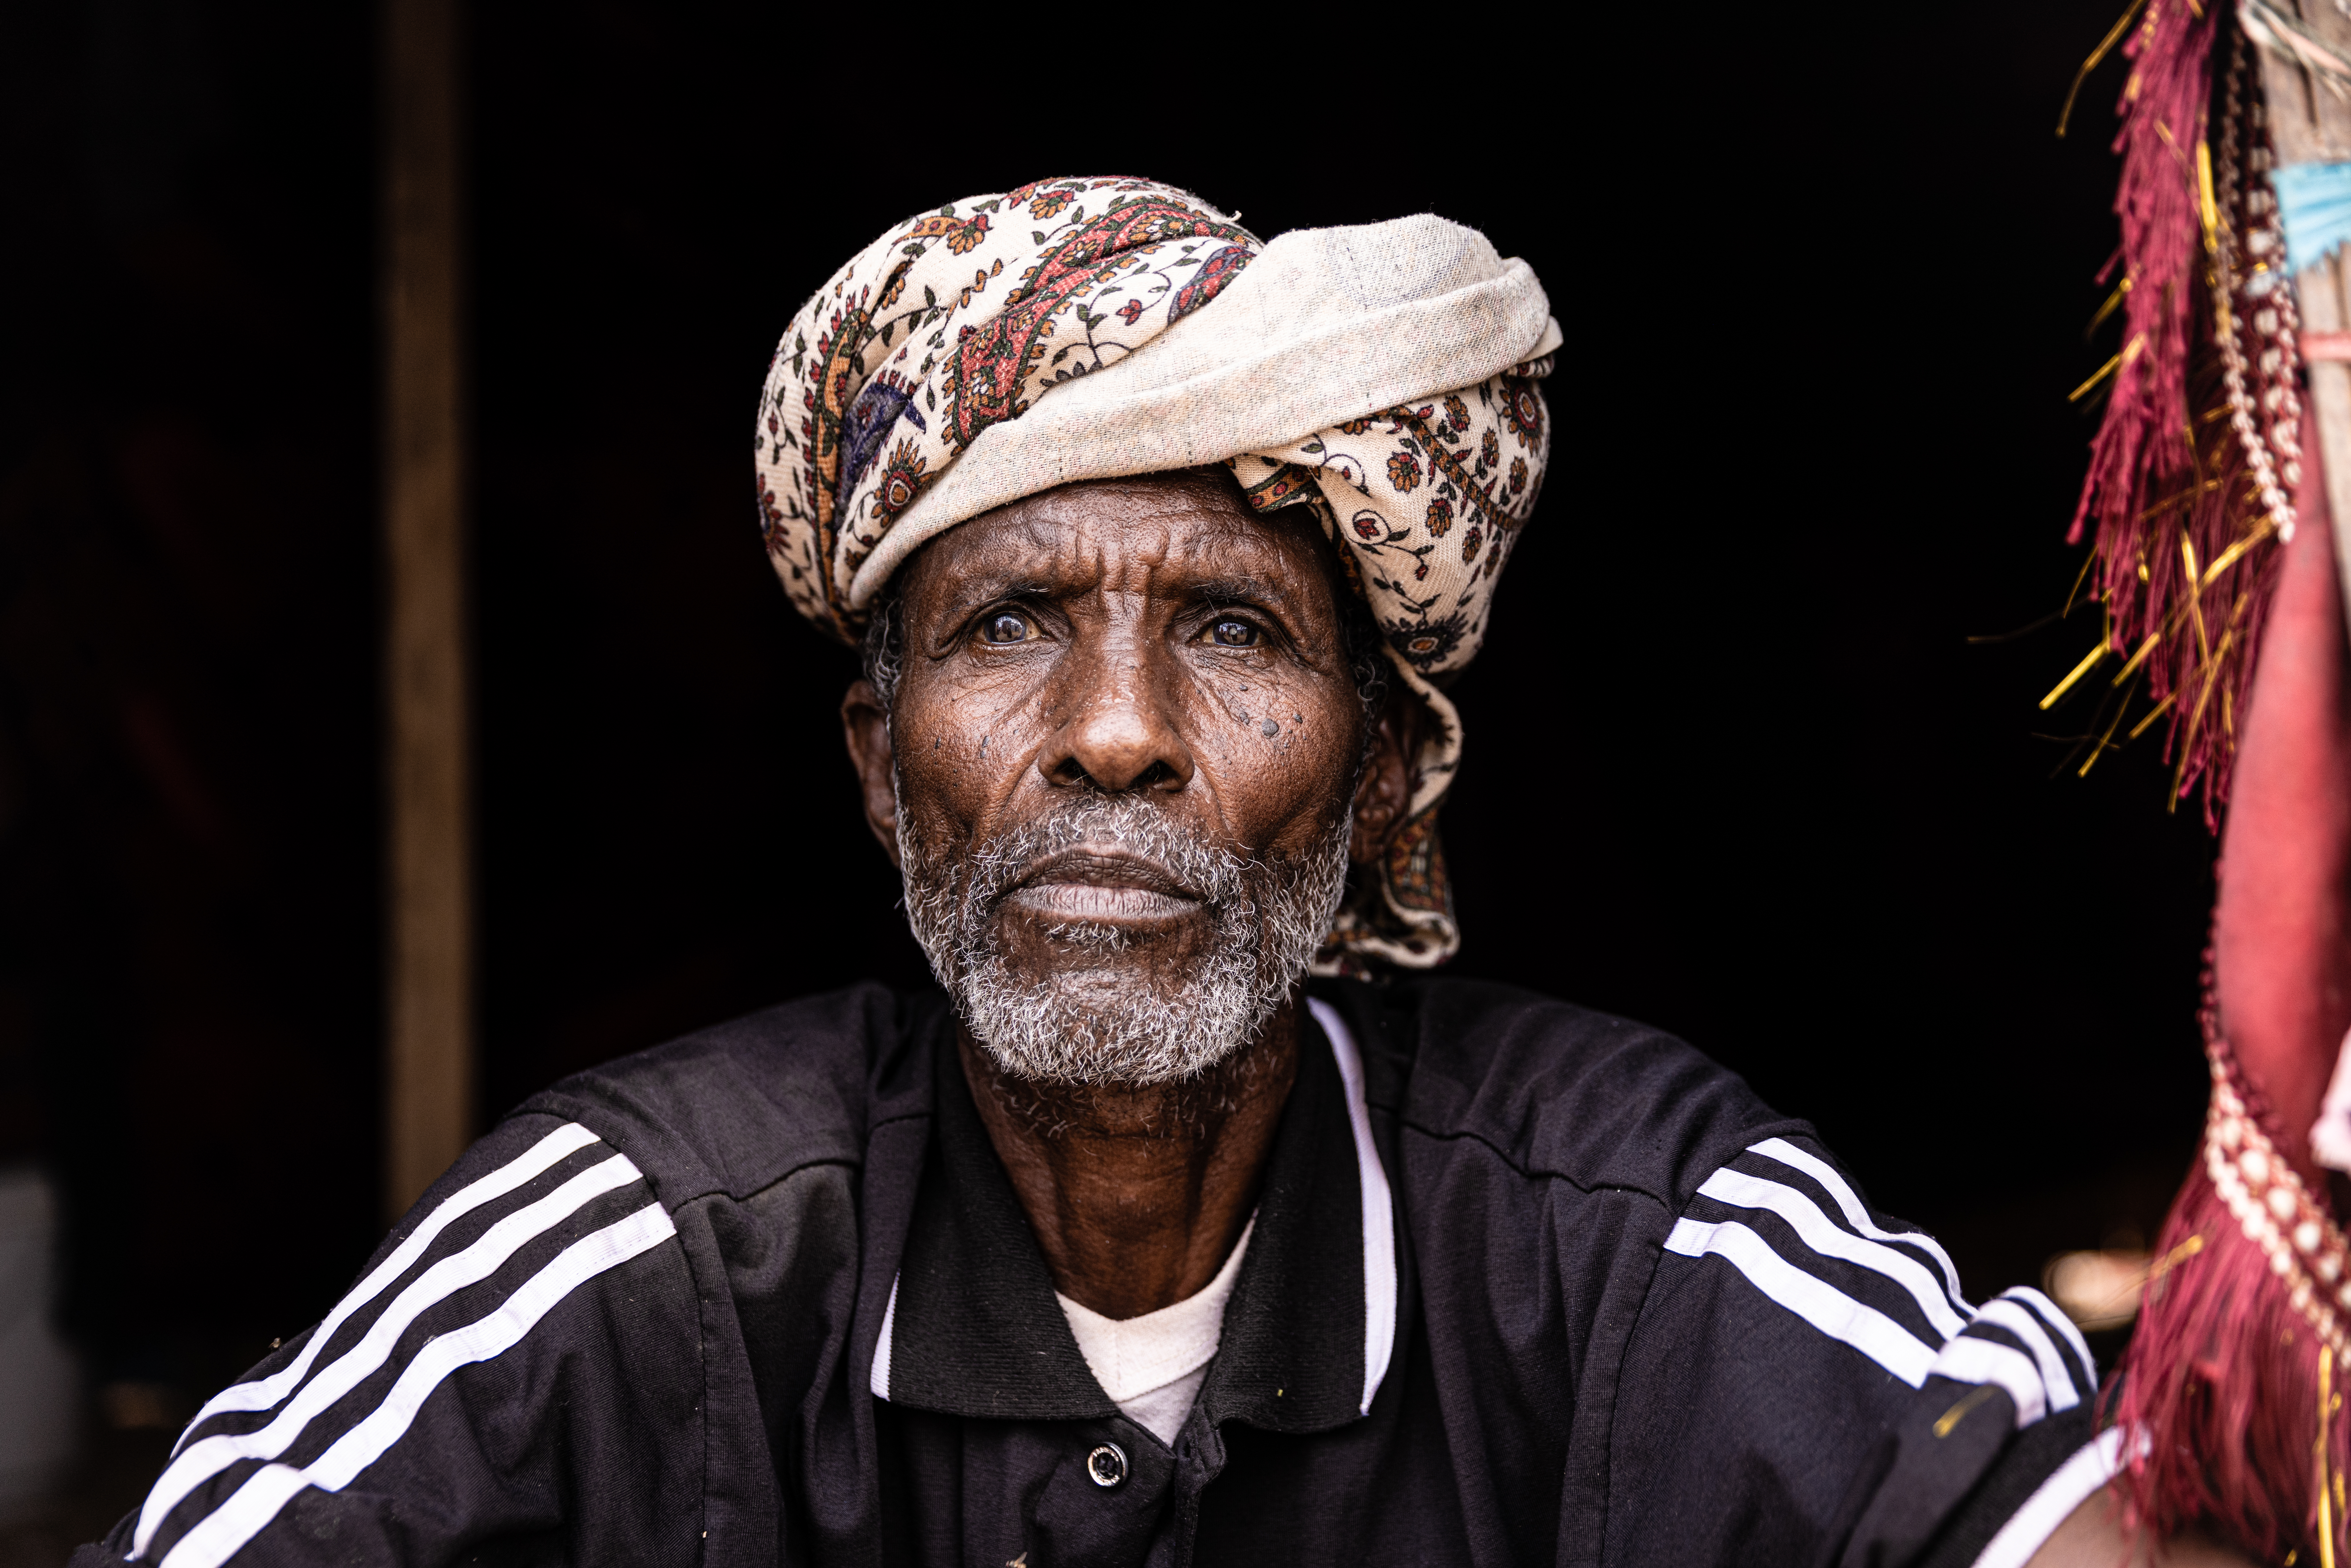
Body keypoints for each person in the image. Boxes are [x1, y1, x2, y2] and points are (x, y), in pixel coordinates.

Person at [78, 179, 2222, 1568]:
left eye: (1230, 628)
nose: (1114, 730)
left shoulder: (1622, 1228)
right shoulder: (649, 1253)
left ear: (1386, 780)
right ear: (877, 767)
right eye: (1011, 625)